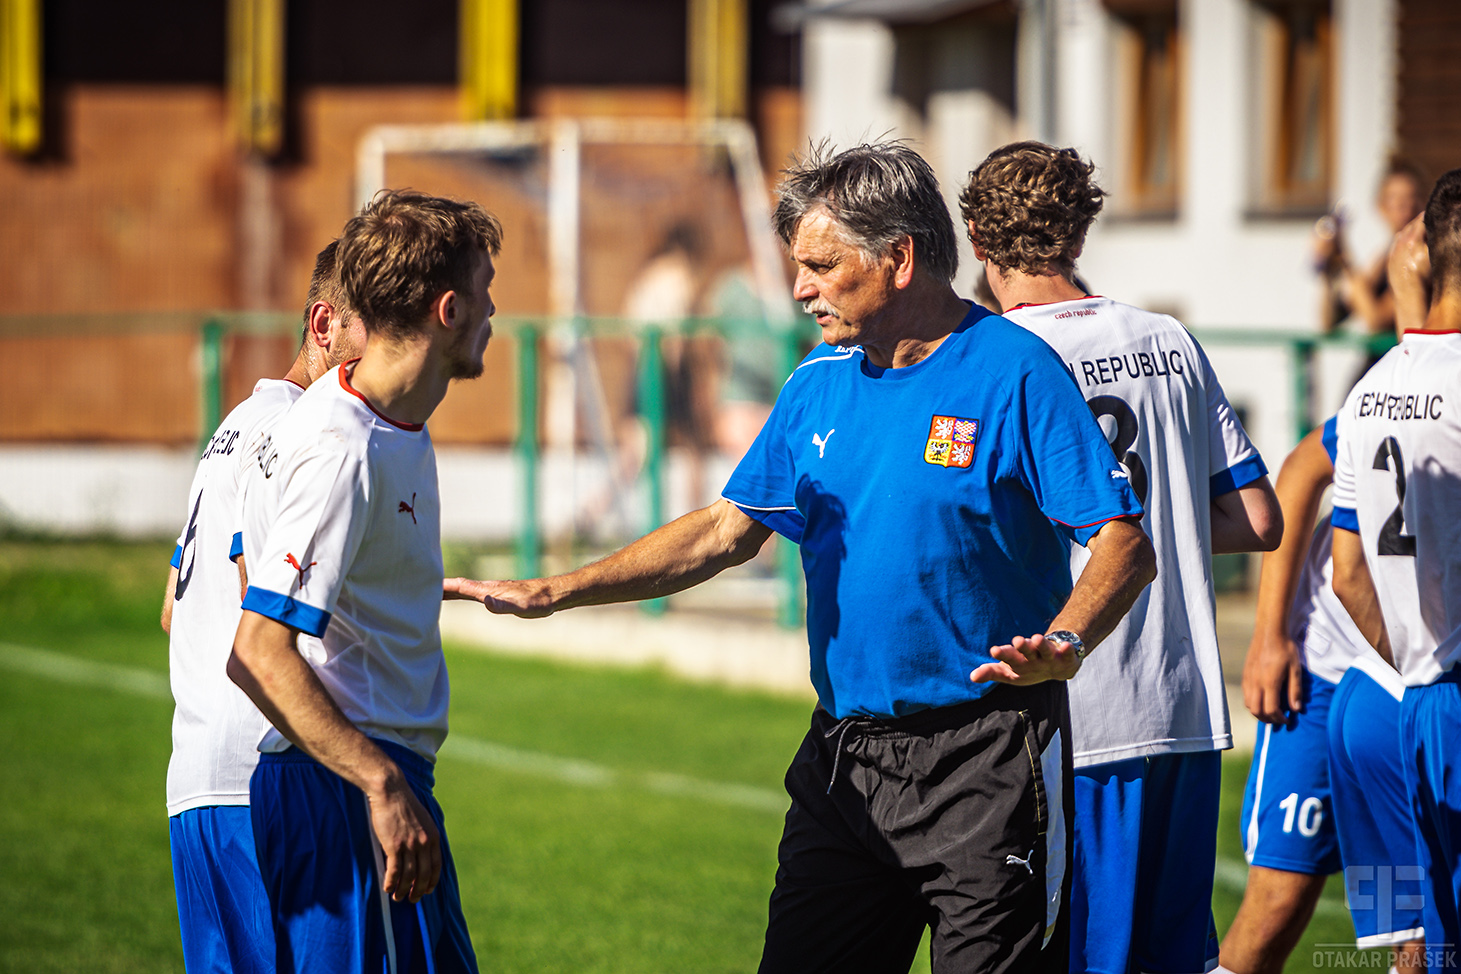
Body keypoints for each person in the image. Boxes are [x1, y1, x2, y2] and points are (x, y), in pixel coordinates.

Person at [446, 141, 1157, 973]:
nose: (798, 288)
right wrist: (557, 589)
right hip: (844, 765)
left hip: (986, 763)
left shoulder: (1015, 372)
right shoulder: (817, 381)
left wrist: (1063, 644)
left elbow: (1121, 541)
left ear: (898, 258)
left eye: (820, 265)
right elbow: (723, 530)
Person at [959, 141, 1283, 974]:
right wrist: (1162, 518)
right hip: (1181, 706)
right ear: (1080, 226)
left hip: (1073, 704)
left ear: (974, 237)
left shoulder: (996, 358)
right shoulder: (1166, 340)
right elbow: (1254, 518)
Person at [227, 190, 501, 974]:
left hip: (362, 782)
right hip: (346, 791)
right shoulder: (343, 447)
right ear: (448, 309)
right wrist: (379, 784)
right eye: (485, 293)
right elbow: (257, 649)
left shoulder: (379, 427)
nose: (493, 314)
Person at [160, 240, 365, 974]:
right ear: (323, 326)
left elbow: (170, 610)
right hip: (261, 773)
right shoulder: (297, 433)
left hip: (193, 777)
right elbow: (260, 599)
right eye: (377, 336)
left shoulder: (231, 429)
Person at [1221, 417, 1424, 974]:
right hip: (1328, 675)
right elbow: (1304, 470)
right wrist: (1270, 633)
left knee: (1419, 923)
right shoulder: (1406, 387)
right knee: (1276, 903)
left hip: (1411, 692)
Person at [1330, 168, 1461, 968]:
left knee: (1432, 944)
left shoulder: (1370, 390)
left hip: (1413, 699)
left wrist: (1419, 660)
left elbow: (1347, 576)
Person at [1315, 157, 1428, 369]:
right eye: (1395, 199)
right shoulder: (1385, 257)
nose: (1405, 207)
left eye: (1412, 197)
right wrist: (1328, 267)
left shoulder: (1421, 257)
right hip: (1381, 367)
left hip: (1401, 370)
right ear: (1381, 206)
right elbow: (1329, 320)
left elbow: (1374, 318)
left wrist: (1345, 257)